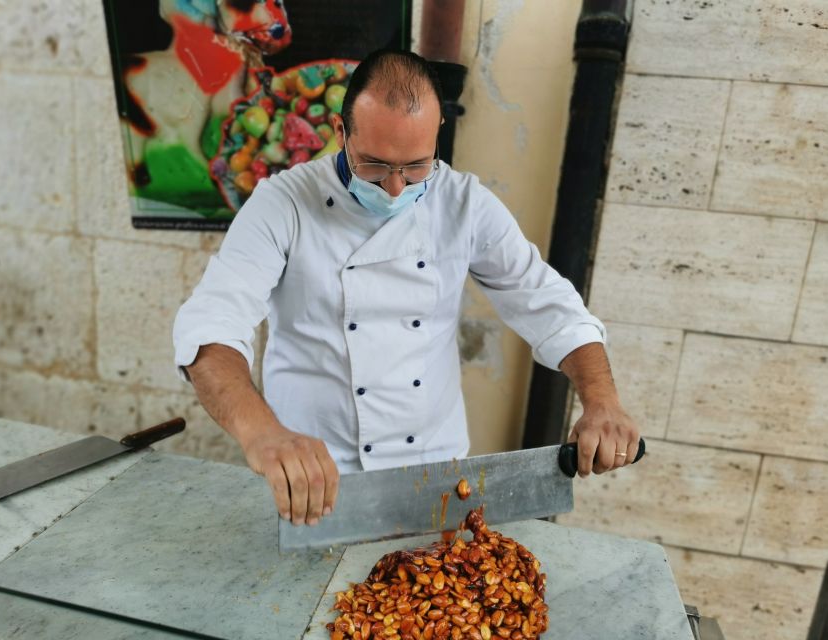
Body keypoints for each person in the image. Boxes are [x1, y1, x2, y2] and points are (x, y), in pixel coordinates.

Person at [173, 49, 639, 529]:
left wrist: (602, 400)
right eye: (374, 167)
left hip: (435, 475)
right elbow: (210, 328)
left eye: (416, 168)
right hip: (312, 475)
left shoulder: (464, 203)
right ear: (340, 133)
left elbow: (549, 303)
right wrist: (263, 434)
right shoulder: (283, 203)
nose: (395, 188)